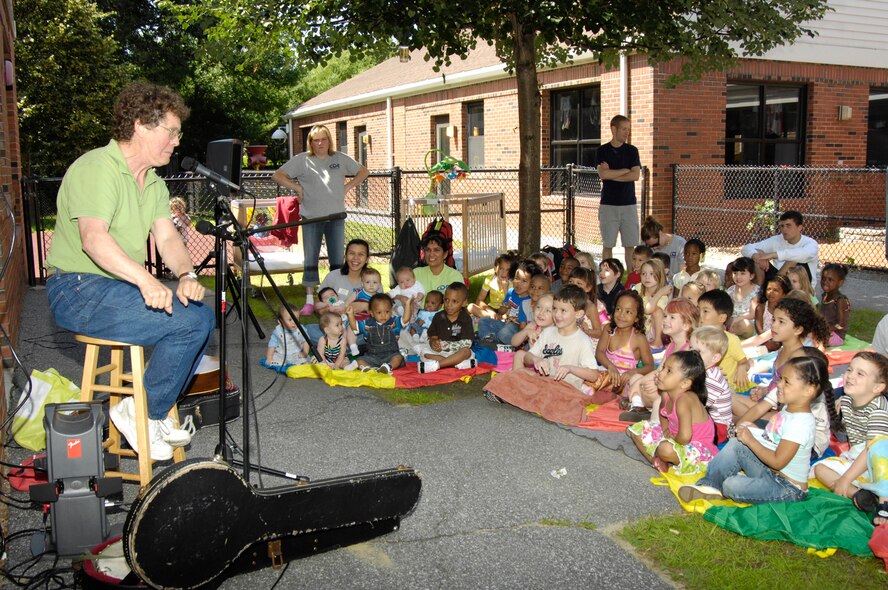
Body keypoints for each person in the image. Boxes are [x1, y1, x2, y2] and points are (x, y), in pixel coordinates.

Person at [45, 82, 213, 461]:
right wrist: (146, 280)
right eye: (171, 132)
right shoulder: (96, 168)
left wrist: (186, 275)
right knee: (187, 323)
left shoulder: (151, 181)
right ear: (140, 125)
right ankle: (141, 412)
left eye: (178, 133)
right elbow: (93, 239)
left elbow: (168, 238)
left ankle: (146, 408)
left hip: (113, 287)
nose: (176, 142)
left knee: (202, 316)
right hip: (76, 288)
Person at [680, 355, 828, 505]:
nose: (779, 385)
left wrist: (751, 440)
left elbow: (778, 462)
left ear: (808, 390)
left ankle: (731, 484)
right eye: (781, 379)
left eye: (787, 382)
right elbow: (772, 442)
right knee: (737, 445)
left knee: (732, 484)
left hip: (787, 488)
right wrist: (752, 433)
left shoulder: (800, 423)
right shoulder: (789, 410)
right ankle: (709, 485)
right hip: (770, 472)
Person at [272, 124, 370, 316]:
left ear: (329, 140)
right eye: (315, 140)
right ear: (311, 142)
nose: (320, 143)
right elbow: (278, 175)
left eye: (323, 139)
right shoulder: (302, 160)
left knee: (337, 261)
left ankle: (336, 299)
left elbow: (364, 171)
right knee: (310, 260)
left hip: (336, 217)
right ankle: (309, 300)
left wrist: (348, 187)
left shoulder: (339, 158)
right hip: (311, 218)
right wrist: (297, 188)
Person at [482, 285, 604, 424]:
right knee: (510, 377)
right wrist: (536, 359)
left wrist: (570, 368)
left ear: (578, 314)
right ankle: (532, 402)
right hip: (542, 382)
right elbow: (527, 358)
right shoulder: (548, 333)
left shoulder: (583, 341)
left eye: (563, 310)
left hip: (564, 388)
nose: (557, 314)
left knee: (564, 402)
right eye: (555, 309)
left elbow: (594, 375)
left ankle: (524, 400)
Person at [627, 351, 718, 474]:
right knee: (635, 430)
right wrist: (664, 430)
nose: (660, 373)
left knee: (665, 449)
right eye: (663, 367)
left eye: (668, 371)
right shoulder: (666, 394)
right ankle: (656, 461)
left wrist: (670, 440)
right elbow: (662, 412)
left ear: (685, 383)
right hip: (674, 438)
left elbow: (685, 437)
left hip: (697, 447)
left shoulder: (685, 399)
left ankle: (666, 458)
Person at [812, 351, 888, 496]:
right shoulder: (846, 401)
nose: (851, 375)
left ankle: (875, 495)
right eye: (849, 369)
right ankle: (858, 495)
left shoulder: (879, 411)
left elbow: (872, 451)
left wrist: (846, 478)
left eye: (860, 374)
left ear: (877, 388)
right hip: (858, 459)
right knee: (820, 469)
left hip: (881, 463)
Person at [622, 298, 699, 421]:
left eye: (672, 317)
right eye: (665, 316)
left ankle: (654, 421)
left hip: (673, 392)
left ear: (686, 325)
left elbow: (679, 381)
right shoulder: (671, 346)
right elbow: (660, 369)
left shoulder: (688, 350)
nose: (665, 320)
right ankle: (638, 407)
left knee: (660, 398)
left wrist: (658, 385)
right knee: (635, 378)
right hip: (661, 384)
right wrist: (641, 382)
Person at [596, 115, 641, 270]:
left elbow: (635, 175)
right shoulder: (602, 151)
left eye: (628, 129)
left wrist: (612, 174)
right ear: (614, 129)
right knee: (608, 245)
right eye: (624, 129)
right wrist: (624, 171)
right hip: (608, 205)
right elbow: (603, 175)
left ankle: (631, 280)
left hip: (629, 205)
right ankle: (607, 276)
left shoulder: (632, 151)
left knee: (630, 246)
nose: (626, 132)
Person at [305, 238, 370, 345]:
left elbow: (380, 306)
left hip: (359, 329)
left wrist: (359, 307)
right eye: (351, 253)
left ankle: (339, 346)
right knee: (306, 330)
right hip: (334, 329)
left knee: (374, 332)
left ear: (367, 259)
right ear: (345, 256)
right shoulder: (333, 276)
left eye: (361, 254)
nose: (355, 258)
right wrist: (325, 308)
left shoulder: (372, 279)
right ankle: (344, 346)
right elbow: (317, 305)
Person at [595, 290, 655, 400]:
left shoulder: (638, 338)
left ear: (637, 318)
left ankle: (633, 403)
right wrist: (610, 366)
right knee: (590, 376)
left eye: (628, 312)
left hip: (625, 382)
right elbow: (599, 352)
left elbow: (650, 366)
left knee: (635, 383)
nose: (621, 314)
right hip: (607, 377)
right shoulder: (609, 329)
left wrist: (633, 372)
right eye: (618, 309)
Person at [741, 210, 819, 287]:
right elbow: (746, 248)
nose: (784, 229)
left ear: (799, 227)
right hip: (778, 277)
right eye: (782, 226)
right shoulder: (777, 240)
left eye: (788, 225)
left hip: (802, 287)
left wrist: (773, 255)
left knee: (793, 259)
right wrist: (756, 256)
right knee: (757, 255)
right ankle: (758, 293)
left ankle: (775, 287)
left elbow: (806, 254)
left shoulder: (810, 243)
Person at [697, 289, 751, 395]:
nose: (700, 315)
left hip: (727, 389)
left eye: (705, 311)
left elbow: (744, 361)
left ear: (722, 317)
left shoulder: (730, 340)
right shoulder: (697, 337)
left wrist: (742, 368)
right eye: (698, 310)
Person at [417, 282, 476, 373]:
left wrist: (449, 346)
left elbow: (467, 343)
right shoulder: (438, 316)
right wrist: (434, 343)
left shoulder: (465, 319)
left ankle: (437, 365)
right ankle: (455, 363)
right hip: (440, 352)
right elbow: (432, 336)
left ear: (464, 303)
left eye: (454, 301)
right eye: (446, 300)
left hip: (457, 352)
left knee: (466, 352)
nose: (449, 304)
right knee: (424, 353)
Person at [689, 326, 735, 444]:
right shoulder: (701, 371)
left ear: (715, 357)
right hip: (709, 420)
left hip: (719, 428)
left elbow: (698, 405)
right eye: (690, 349)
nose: (691, 354)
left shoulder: (712, 379)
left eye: (698, 352)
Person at [477, 259, 536, 346]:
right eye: (516, 278)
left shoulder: (529, 299)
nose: (518, 283)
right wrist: (504, 307)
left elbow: (525, 325)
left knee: (504, 333)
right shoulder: (511, 292)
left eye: (524, 281)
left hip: (518, 328)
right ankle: (490, 340)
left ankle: (493, 340)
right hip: (506, 323)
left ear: (531, 284)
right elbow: (500, 313)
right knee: (483, 321)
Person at [349, 294, 409, 374]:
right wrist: (350, 314)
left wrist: (407, 305)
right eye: (379, 312)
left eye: (387, 311)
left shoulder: (394, 323)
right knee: (359, 361)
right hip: (372, 356)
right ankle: (369, 369)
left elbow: (405, 319)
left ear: (391, 311)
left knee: (398, 358)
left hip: (391, 355)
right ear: (372, 313)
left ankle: (388, 367)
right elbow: (355, 327)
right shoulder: (367, 324)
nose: (383, 315)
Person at [413, 235, 464, 302]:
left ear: (445, 254)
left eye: (436, 250)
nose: (431, 254)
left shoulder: (454, 276)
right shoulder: (416, 273)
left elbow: (458, 304)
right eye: (428, 250)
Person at [633, 259, 671, 348]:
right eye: (643, 274)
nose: (647, 277)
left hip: (653, 330)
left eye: (651, 274)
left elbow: (648, 310)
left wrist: (659, 293)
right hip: (638, 326)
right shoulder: (638, 288)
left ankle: (658, 342)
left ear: (660, 275)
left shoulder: (663, 294)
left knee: (657, 312)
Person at [316, 286, 360, 357]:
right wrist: (327, 305)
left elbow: (350, 307)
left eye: (332, 295)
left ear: (337, 296)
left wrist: (343, 308)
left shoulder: (342, 302)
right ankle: (344, 347)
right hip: (338, 327)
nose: (330, 298)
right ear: (323, 302)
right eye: (326, 298)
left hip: (348, 322)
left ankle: (353, 346)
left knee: (351, 329)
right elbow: (317, 306)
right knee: (342, 333)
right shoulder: (328, 308)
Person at [469, 253, 514, 319]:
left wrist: (505, 289)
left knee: (509, 315)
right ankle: (494, 318)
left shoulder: (512, 284)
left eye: (507, 270)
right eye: (501, 269)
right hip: (491, 309)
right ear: (495, 268)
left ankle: (495, 319)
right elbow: (479, 300)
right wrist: (491, 312)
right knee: (471, 306)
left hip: (505, 310)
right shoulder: (489, 280)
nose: (504, 272)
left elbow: (511, 306)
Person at [726, 256, 760, 339]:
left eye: (742, 273)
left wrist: (737, 319)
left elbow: (752, 314)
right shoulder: (731, 290)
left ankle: (728, 337)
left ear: (751, 276)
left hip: (748, 322)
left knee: (744, 325)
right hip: (732, 320)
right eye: (735, 273)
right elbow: (727, 309)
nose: (738, 277)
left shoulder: (756, 291)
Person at [818, 263, 851, 347]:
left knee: (815, 338)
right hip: (825, 330)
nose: (825, 282)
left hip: (836, 335)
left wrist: (825, 329)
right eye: (823, 278)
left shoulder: (840, 300)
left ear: (840, 283)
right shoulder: (825, 296)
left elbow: (841, 324)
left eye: (830, 280)